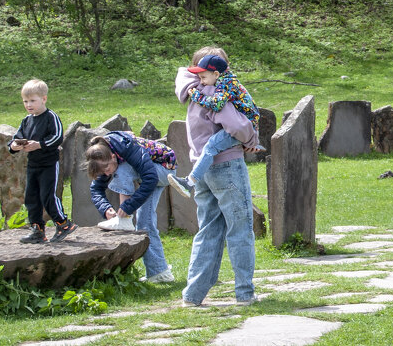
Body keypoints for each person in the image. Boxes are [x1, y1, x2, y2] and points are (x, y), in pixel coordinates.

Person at [175, 46, 259, 307]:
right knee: (240, 229)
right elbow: (235, 125)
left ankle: (193, 295)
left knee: (208, 230)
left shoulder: (192, 90)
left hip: (201, 168)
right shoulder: (215, 91)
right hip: (227, 166)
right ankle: (244, 293)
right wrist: (251, 138)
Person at [85, 130, 180, 283]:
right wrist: (105, 208)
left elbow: (150, 178)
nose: (106, 173)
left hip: (164, 168)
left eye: (107, 168)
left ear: (113, 156)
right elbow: (95, 188)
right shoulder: (102, 159)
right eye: (102, 171)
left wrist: (128, 207)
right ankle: (159, 272)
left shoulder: (126, 148)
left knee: (121, 170)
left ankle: (124, 219)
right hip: (149, 174)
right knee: (144, 222)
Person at [166, 53, 263, 197]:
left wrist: (195, 95)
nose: (202, 82)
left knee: (211, 146)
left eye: (203, 77)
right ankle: (189, 182)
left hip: (247, 123)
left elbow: (216, 105)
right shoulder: (222, 80)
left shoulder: (225, 84)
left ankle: (189, 182)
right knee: (211, 146)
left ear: (216, 74)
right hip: (244, 125)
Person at [9, 79, 76, 244]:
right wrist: (14, 146)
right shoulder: (27, 120)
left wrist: (39, 144)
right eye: (25, 101)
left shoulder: (51, 117)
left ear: (43, 99)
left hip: (49, 164)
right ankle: (37, 229)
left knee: (48, 196)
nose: (28, 104)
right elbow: (16, 138)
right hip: (33, 165)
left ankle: (63, 223)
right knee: (31, 197)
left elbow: (57, 137)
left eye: (32, 101)